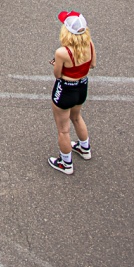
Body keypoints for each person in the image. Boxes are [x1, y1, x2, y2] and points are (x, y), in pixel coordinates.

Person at [48, 11, 96, 175]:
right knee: (76, 117)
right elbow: (92, 64)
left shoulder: (62, 52)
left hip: (66, 90)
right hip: (82, 87)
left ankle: (65, 163)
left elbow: (57, 74)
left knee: (63, 129)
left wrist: (57, 64)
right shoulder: (89, 44)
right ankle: (85, 148)